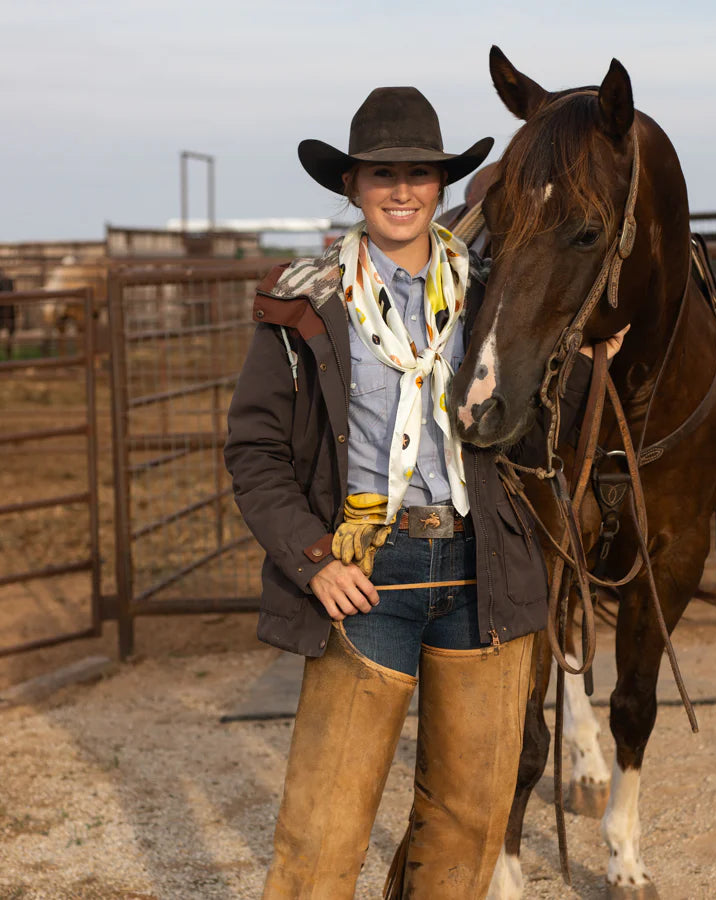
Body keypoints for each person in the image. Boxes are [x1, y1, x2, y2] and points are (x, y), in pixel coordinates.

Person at [224, 86, 628, 899]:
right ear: (352, 187)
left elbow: (542, 403)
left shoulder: (492, 293)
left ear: (442, 185)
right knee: (325, 826)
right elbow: (255, 452)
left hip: (483, 574)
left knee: (467, 827)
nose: (401, 190)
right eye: (382, 174)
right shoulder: (307, 303)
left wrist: (595, 365)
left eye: (418, 173)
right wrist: (313, 561)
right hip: (365, 575)